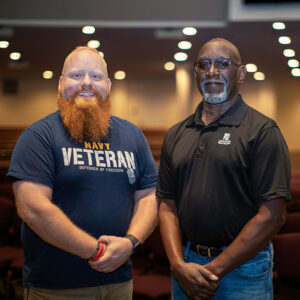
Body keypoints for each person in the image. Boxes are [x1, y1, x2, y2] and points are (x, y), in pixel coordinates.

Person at [7, 46, 158, 300]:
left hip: (120, 283)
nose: (86, 83)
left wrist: (130, 242)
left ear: (108, 85)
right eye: (76, 75)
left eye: (96, 77)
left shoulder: (132, 135)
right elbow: (33, 209)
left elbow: (149, 195)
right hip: (56, 287)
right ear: (60, 83)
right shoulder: (38, 136)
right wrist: (97, 252)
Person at [157, 38, 290, 300]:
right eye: (204, 64)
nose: (212, 71)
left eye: (222, 64)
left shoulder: (262, 131)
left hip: (244, 271)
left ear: (240, 74)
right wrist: (177, 266)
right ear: (196, 73)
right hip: (186, 267)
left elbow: (272, 216)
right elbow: (166, 205)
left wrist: (212, 271)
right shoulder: (175, 134)